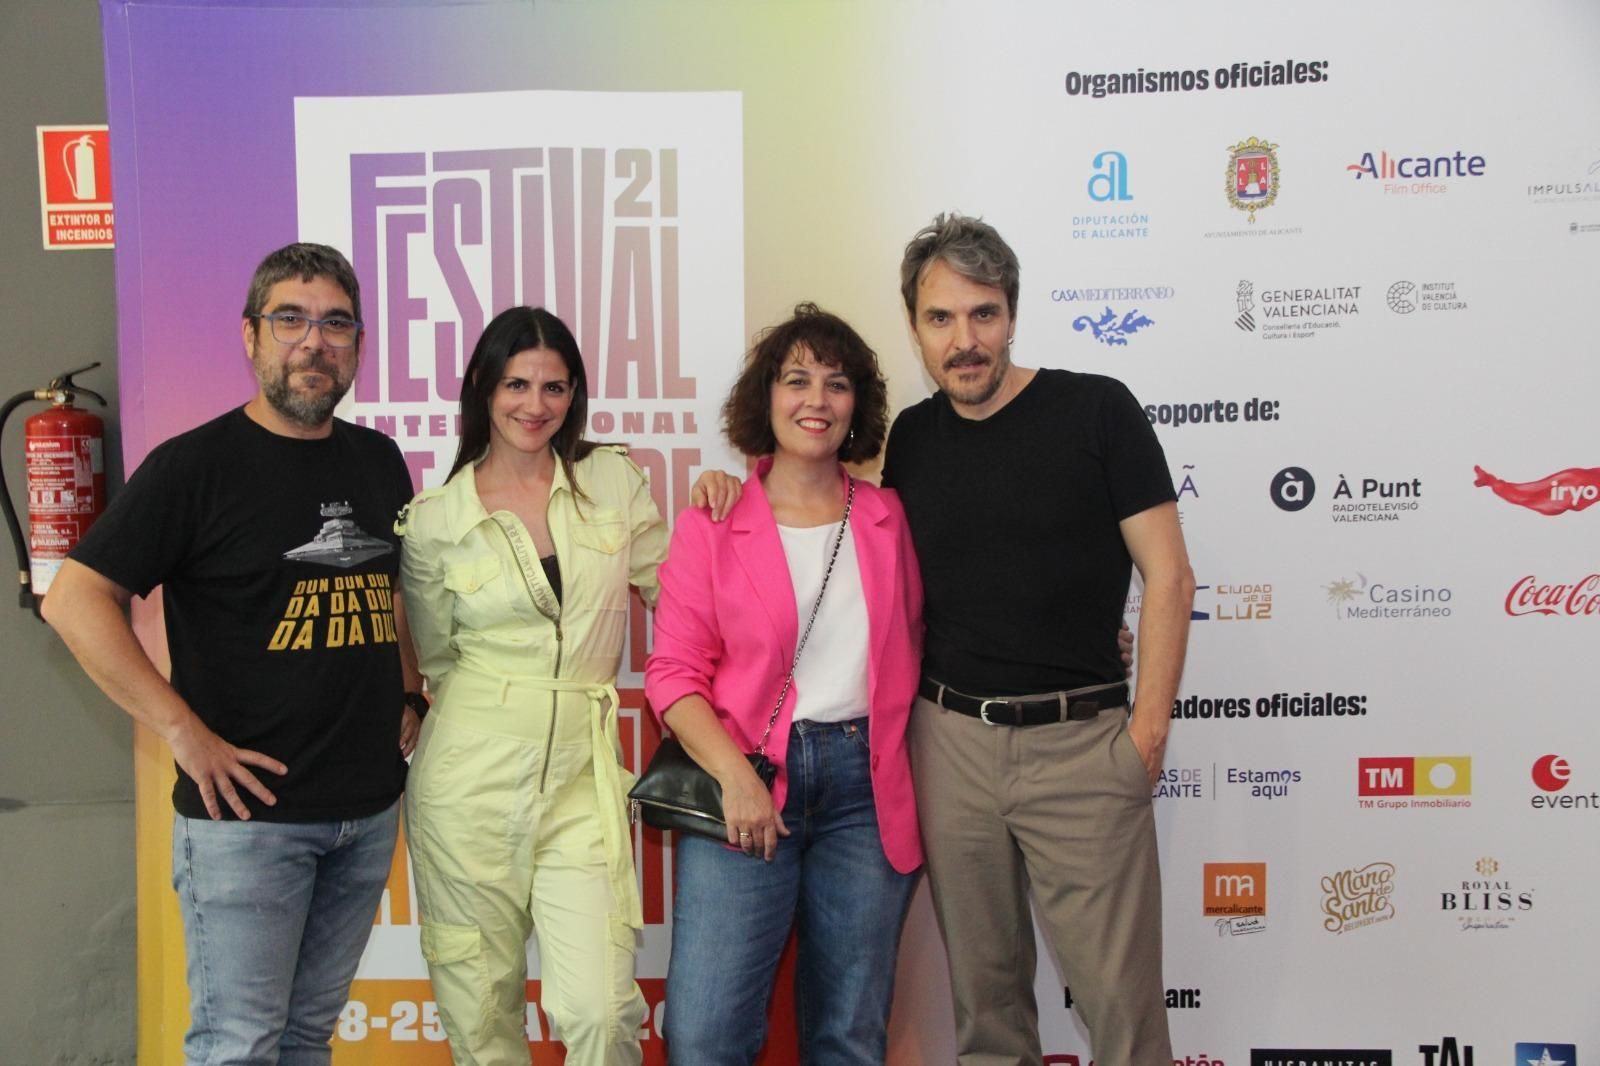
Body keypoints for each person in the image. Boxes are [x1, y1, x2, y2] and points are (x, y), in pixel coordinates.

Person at [43, 242, 421, 1066]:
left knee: (306, 1042)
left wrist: (408, 692)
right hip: (248, 827)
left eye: (336, 324)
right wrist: (183, 731)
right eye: (290, 320)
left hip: (365, 814)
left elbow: (390, 592)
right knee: (238, 1047)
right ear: (250, 336)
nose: (313, 342)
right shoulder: (194, 468)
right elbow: (73, 600)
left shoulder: (378, 460)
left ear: (358, 344)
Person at [885, 213, 1195, 1066]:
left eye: (982, 313)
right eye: (941, 318)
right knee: (986, 1016)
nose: (964, 341)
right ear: (915, 327)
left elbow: (1169, 577)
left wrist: (1147, 732)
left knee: (1124, 1018)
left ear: (1013, 314)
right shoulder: (910, 438)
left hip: (1082, 749)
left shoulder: (1097, 409)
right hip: (950, 747)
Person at [645, 304, 924, 1066]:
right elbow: (672, 675)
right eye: (797, 380)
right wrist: (735, 780)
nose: (816, 400)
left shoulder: (889, 518)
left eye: (837, 383)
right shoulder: (713, 522)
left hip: (867, 796)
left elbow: (948, 626)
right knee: (705, 1036)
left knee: (848, 1037)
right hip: (744, 784)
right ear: (765, 397)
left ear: (857, 406)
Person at [397, 306, 669, 1066]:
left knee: (601, 1013)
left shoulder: (611, 480)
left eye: (554, 387)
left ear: (575, 393)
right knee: (483, 1022)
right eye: (517, 384)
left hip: (583, 778)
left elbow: (678, 591)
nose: (535, 404)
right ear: (484, 387)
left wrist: (729, 504)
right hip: (466, 785)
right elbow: (436, 658)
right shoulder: (434, 521)